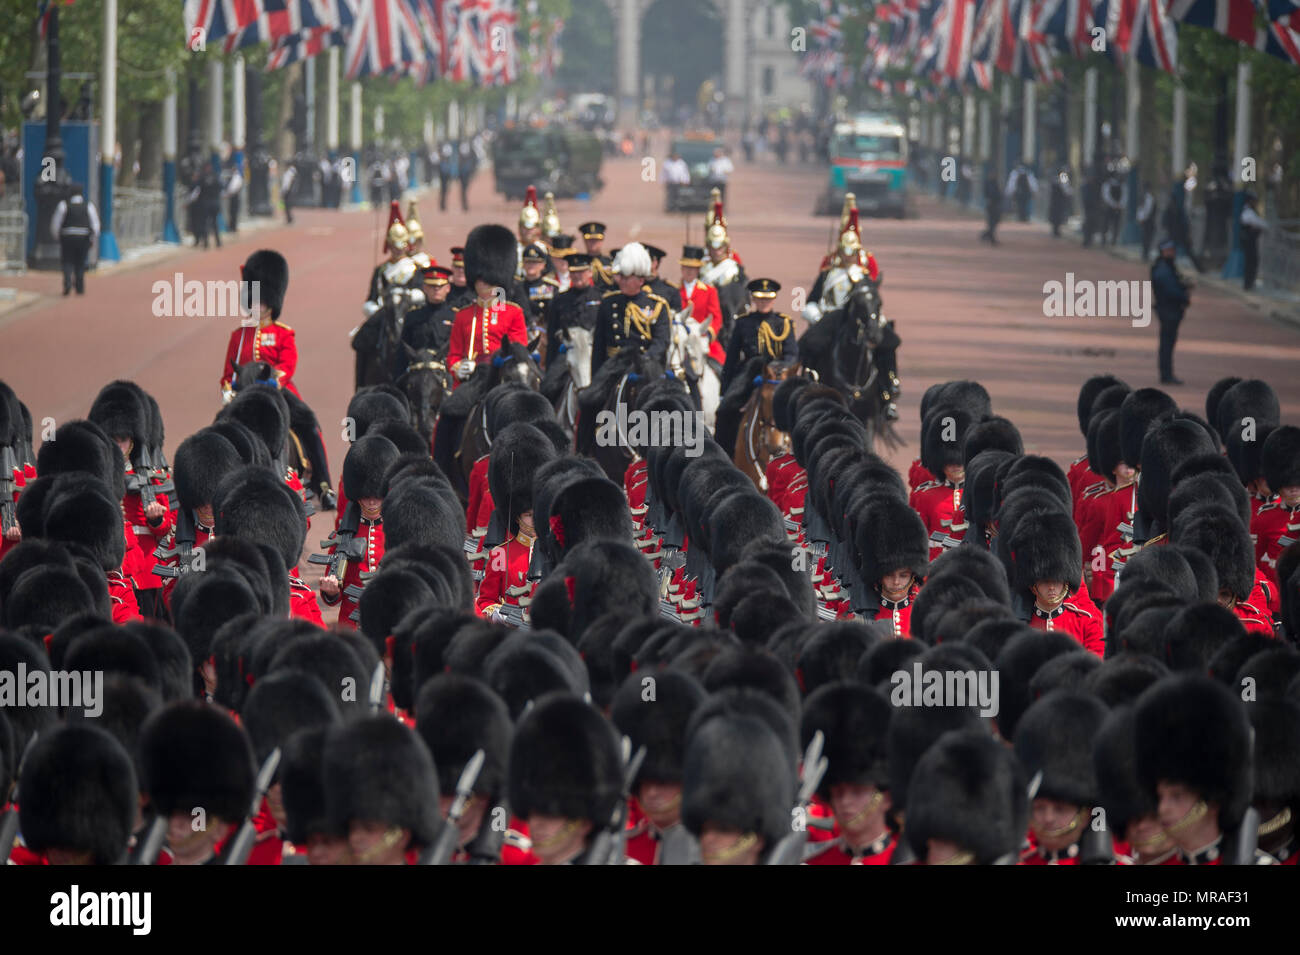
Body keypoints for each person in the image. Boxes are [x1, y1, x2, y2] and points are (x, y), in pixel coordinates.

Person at [446, 225, 529, 389]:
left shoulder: (513, 312)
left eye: (489, 280)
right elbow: (453, 355)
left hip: (503, 378)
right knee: (450, 411)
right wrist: (458, 368)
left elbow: (519, 350)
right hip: (472, 380)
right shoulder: (463, 316)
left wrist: (497, 363)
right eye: (479, 280)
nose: (483, 283)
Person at [590, 243, 673, 376]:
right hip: (613, 367)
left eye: (626, 278)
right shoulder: (608, 303)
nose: (621, 281)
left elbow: (661, 342)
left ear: (640, 280)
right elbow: (599, 346)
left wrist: (644, 360)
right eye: (621, 277)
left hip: (645, 367)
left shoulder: (658, 306)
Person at [678, 245, 725, 370]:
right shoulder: (674, 291)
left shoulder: (709, 291)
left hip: (702, 339)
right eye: (687, 267)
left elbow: (716, 317)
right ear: (682, 268)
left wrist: (708, 334)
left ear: (698, 270)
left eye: (693, 268)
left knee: (722, 369)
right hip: (680, 340)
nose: (689, 271)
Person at [1151, 238, 1191, 386]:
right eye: (1170, 250)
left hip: (1170, 310)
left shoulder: (1167, 267)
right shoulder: (1163, 269)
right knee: (1167, 344)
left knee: (1168, 343)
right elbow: (1170, 291)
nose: (1173, 253)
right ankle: (1166, 374)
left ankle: (1167, 373)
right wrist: (1183, 294)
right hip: (1168, 310)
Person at [50, 183, 99, 296]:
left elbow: (56, 223)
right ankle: (79, 287)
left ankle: (67, 284)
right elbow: (95, 224)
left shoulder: (64, 205)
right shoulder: (88, 205)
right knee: (80, 262)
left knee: (67, 261)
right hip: (83, 237)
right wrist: (93, 239)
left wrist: (57, 236)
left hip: (67, 237)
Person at [1240, 192, 1268, 292]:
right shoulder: (1247, 211)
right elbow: (1253, 222)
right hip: (1249, 241)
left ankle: (1250, 284)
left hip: (1251, 241)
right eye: (1254, 201)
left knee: (1253, 262)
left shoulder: (1251, 211)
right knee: (1251, 262)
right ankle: (1248, 284)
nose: (1255, 203)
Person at [1048, 167, 1072, 238]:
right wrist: (1071, 192)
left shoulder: (1054, 177)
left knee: (1055, 215)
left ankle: (1055, 230)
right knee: (1058, 215)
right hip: (1060, 200)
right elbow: (1066, 189)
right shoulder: (1063, 176)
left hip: (1054, 200)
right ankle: (1056, 231)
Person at [1136, 180, 1156, 260]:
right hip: (1148, 220)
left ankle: (1145, 254)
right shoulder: (1148, 198)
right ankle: (1145, 254)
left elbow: (1142, 209)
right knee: (1147, 238)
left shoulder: (1145, 197)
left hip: (1146, 220)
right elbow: (1146, 210)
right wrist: (1142, 218)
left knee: (1146, 238)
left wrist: (1140, 218)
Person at [980, 172, 1002, 245]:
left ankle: (986, 234)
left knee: (995, 221)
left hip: (995, 204)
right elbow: (991, 194)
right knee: (992, 222)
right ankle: (990, 237)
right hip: (991, 205)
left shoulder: (994, 183)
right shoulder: (989, 183)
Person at [224, 159, 244, 234]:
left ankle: (233, 227)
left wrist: (227, 194)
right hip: (232, 196)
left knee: (234, 212)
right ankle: (232, 226)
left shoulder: (237, 177)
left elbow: (233, 188)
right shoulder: (234, 176)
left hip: (234, 196)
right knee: (232, 212)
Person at [457, 140, 476, 212]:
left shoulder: (471, 148)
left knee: (466, 187)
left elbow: (474, 159)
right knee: (463, 188)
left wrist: (473, 169)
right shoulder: (458, 148)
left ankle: (465, 203)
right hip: (461, 171)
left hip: (467, 171)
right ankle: (464, 204)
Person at [281, 159, 298, 225]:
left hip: (288, 190)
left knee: (287, 205)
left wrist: (284, 191)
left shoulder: (290, 172)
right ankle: (289, 218)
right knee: (286, 205)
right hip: (287, 190)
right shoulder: (290, 171)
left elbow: (288, 182)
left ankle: (289, 219)